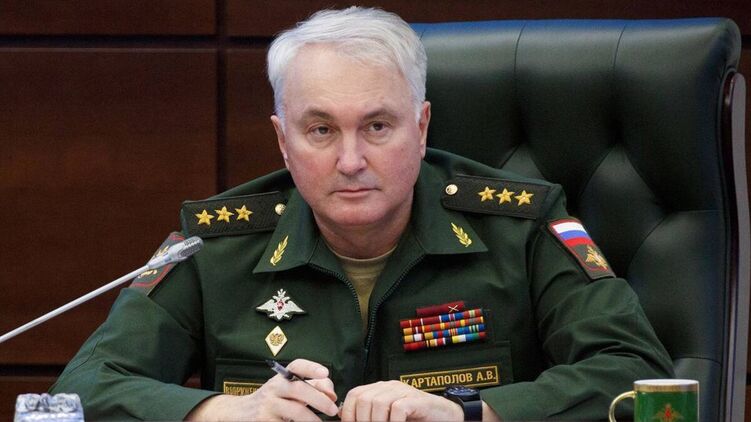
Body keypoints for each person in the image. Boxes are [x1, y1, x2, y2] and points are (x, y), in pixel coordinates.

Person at [50, 7, 673, 421]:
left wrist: (470, 413)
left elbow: (638, 374)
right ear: (283, 141)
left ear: (421, 128)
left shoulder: (520, 227)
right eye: (320, 129)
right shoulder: (216, 246)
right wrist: (229, 412)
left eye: (377, 126)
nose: (350, 161)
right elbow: (80, 390)